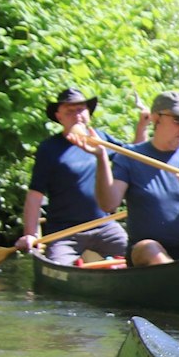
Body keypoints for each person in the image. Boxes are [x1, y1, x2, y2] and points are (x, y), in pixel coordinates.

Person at [88, 90, 179, 266]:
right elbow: (109, 204)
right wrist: (101, 157)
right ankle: (177, 277)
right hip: (146, 249)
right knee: (150, 249)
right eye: (178, 120)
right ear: (156, 119)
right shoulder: (129, 156)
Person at [16, 87, 144, 264]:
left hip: (104, 225)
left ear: (88, 114)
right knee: (58, 269)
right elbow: (35, 194)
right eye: (70, 111)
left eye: (81, 109)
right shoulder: (49, 148)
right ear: (59, 117)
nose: (77, 115)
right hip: (64, 232)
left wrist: (142, 126)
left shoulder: (100, 138)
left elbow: (134, 156)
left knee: (137, 255)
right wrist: (29, 234)